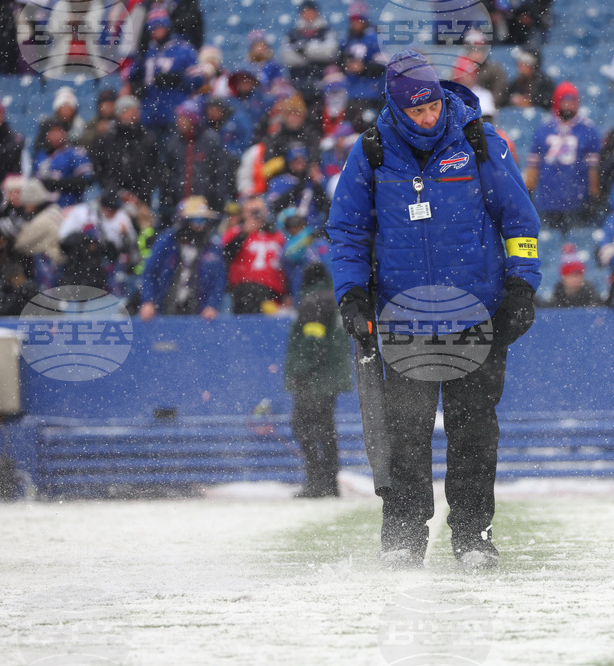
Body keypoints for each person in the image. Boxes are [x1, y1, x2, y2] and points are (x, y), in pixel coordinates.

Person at [327, 50, 541, 570]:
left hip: (476, 315)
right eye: (416, 112)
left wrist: (522, 286)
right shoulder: (372, 151)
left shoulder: (477, 142)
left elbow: (520, 221)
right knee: (404, 432)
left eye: (432, 109)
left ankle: (473, 537)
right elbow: (349, 231)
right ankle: (402, 536)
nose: (428, 118)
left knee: (473, 432)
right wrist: (351, 294)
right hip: (405, 319)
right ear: (396, 109)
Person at [284, 263, 353, 498]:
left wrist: (300, 371)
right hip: (329, 376)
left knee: (301, 425)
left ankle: (316, 480)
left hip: (315, 378)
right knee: (325, 429)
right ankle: (329, 483)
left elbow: (313, 343)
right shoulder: (330, 297)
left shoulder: (313, 300)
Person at [525, 82, 601, 233]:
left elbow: (593, 169)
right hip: (547, 198)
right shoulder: (544, 128)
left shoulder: (587, 129)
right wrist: (529, 192)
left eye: (572, 101)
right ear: (557, 101)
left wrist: (594, 195)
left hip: (577, 199)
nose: (568, 105)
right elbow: (533, 166)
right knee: (546, 242)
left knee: (577, 242)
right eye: (565, 100)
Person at [139, 196, 226, 321]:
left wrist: (211, 305)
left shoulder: (212, 246)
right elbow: (149, 272)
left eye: (204, 220)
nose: (201, 225)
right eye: (196, 220)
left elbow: (219, 279)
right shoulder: (167, 242)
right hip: (164, 306)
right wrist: (148, 301)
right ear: (184, 221)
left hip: (197, 310)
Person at [128, 8, 202, 136]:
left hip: (174, 110)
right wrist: (138, 86)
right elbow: (134, 76)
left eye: (160, 27)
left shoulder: (184, 49)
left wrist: (178, 79)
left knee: (172, 150)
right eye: (154, 29)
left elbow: (197, 81)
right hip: (150, 111)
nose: (157, 32)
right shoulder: (146, 50)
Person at [222, 197, 288, 313]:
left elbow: (288, 264)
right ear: (243, 213)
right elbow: (227, 254)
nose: (256, 215)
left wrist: (289, 292)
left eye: (258, 210)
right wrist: (244, 233)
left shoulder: (278, 235)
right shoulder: (234, 232)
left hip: (274, 292)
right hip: (245, 289)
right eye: (251, 211)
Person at [91, 95, 160, 205]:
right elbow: (99, 168)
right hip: (112, 199)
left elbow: (154, 169)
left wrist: (142, 193)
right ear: (119, 114)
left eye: (135, 110)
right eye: (127, 110)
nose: (132, 114)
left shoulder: (148, 139)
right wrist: (116, 192)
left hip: (141, 200)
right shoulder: (106, 140)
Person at [280, 0, 340, 109]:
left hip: (322, 84)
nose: (308, 15)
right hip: (297, 84)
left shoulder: (326, 31)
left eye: (311, 11)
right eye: (305, 12)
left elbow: (329, 53)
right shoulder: (292, 34)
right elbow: (287, 57)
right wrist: (315, 54)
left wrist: (304, 50)